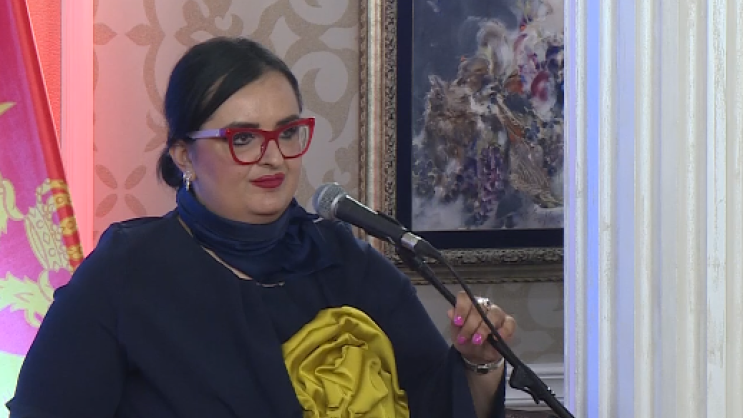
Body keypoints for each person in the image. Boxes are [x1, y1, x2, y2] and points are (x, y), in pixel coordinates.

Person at [6, 36, 517, 418]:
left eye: (287, 132)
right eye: (243, 138)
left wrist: (481, 361)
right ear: (184, 155)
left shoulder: (346, 261)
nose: (273, 157)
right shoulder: (126, 275)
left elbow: (440, 407)